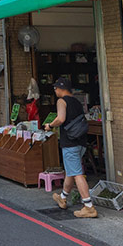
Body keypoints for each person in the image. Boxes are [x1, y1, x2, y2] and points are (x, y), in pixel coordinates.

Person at [44, 77, 96, 218]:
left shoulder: (62, 101)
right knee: (71, 171)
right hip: (81, 141)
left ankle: (89, 206)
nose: (54, 91)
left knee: (77, 173)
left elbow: (60, 119)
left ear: (61, 89)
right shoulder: (76, 101)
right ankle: (63, 197)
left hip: (70, 142)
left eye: (55, 88)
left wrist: (50, 125)